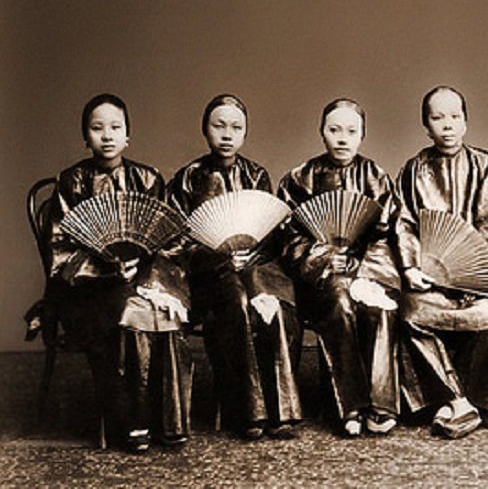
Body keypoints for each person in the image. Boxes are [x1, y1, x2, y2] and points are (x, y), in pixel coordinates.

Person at [44, 93, 192, 452]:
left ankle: (169, 422)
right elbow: (61, 251)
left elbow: (171, 240)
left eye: (116, 127)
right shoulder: (72, 182)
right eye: (97, 128)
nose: (107, 135)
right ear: (86, 137)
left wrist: (144, 274)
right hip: (89, 290)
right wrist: (109, 268)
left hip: (143, 281)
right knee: (129, 313)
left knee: (159, 310)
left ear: (128, 136)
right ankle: (132, 422)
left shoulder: (147, 179)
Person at [395, 86, 488, 439]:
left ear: (466, 122)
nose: (447, 126)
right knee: (411, 314)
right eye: (437, 118)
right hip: (431, 280)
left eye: (455, 117)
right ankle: (458, 401)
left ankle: (466, 402)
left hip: (477, 282)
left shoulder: (483, 164)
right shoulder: (413, 169)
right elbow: (404, 223)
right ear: (426, 126)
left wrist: (477, 277)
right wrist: (410, 268)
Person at [168, 94, 301, 440]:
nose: (227, 134)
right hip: (208, 277)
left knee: (277, 307)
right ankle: (247, 410)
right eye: (219, 125)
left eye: (236, 127)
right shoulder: (186, 179)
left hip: (255, 268)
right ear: (205, 129)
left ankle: (282, 411)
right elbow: (177, 243)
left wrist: (249, 256)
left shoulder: (256, 175)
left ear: (245, 133)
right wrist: (220, 258)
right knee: (236, 301)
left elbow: (271, 233)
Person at [279, 98, 402, 437]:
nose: (342, 138)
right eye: (334, 130)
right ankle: (346, 407)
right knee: (339, 299)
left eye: (351, 131)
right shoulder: (298, 179)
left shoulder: (377, 178)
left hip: (367, 273)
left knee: (380, 306)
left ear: (363, 135)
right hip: (319, 282)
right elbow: (288, 240)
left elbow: (388, 235)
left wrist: (364, 272)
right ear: (322, 132)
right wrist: (324, 259)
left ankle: (381, 404)